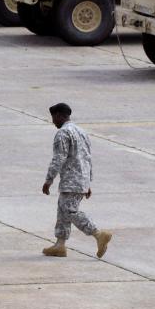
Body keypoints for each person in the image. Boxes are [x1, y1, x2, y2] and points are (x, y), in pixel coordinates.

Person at [41, 103, 111, 258]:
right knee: (62, 210)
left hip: (71, 180)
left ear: (60, 115)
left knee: (69, 211)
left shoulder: (63, 133)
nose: (53, 122)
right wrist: (88, 181)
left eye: (53, 118)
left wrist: (49, 180)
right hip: (81, 178)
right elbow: (87, 157)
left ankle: (98, 234)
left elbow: (58, 158)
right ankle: (60, 245)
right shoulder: (81, 132)